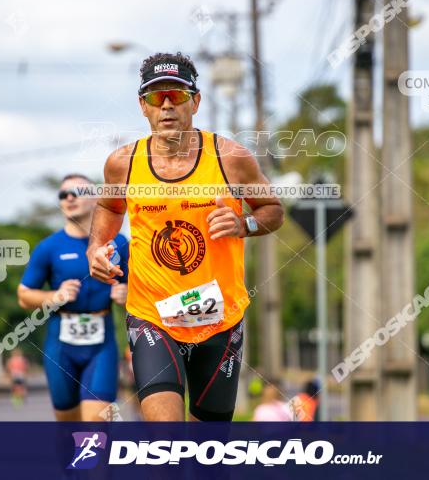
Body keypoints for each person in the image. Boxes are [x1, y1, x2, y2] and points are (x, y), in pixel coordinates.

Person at [87, 52, 284, 421]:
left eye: (176, 96)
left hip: (220, 319)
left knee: (210, 451)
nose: (166, 106)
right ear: (142, 106)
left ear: (195, 101)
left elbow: (272, 210)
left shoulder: (231, 159)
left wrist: (245, 225)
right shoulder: (123, 163)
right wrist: (96, 247)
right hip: (153, 316)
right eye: (154, 97)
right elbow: (110, 208)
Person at [17, 173, 129, 421]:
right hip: (60, 345)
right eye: (63, 195)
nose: (69, 198)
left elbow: (142, 289)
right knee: (68, 425)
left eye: (76, 193)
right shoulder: (49, 247)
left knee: (95, 425)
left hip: (102, 345)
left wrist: (128, 294)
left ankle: (92, 460)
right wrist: (55, 295)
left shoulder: (118, 243)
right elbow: (24, 296)